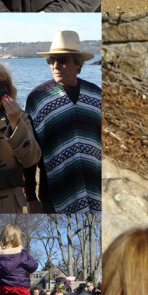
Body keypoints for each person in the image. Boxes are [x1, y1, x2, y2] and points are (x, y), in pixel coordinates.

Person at [23, 35, 101, 210]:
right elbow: (28, 150)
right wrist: (30, 197)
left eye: (62, 60)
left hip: (95, 187)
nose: (55, 66)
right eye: (51, 60)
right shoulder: (38, 98)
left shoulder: (96, 95)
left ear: (78, 63)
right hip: (53, 191)